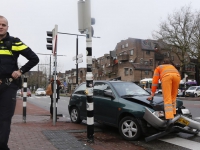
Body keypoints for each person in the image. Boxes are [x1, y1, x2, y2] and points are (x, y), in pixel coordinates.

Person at [0, 16, 39, 150]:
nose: (1, 27)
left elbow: (34, 58)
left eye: (3, 25)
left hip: (8, 86)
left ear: (7, 27)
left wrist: (20, 71)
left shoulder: (15, 42)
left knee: (4, 119)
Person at [147, 58, 181, 122]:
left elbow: (155, 82)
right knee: (173, 97)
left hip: (167, 77)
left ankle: (169, 118)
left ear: (162, 63)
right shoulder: (172, 67)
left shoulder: (159, 67)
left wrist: (152, 93)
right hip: (177, 76)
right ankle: (174, 114)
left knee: (167, 97)